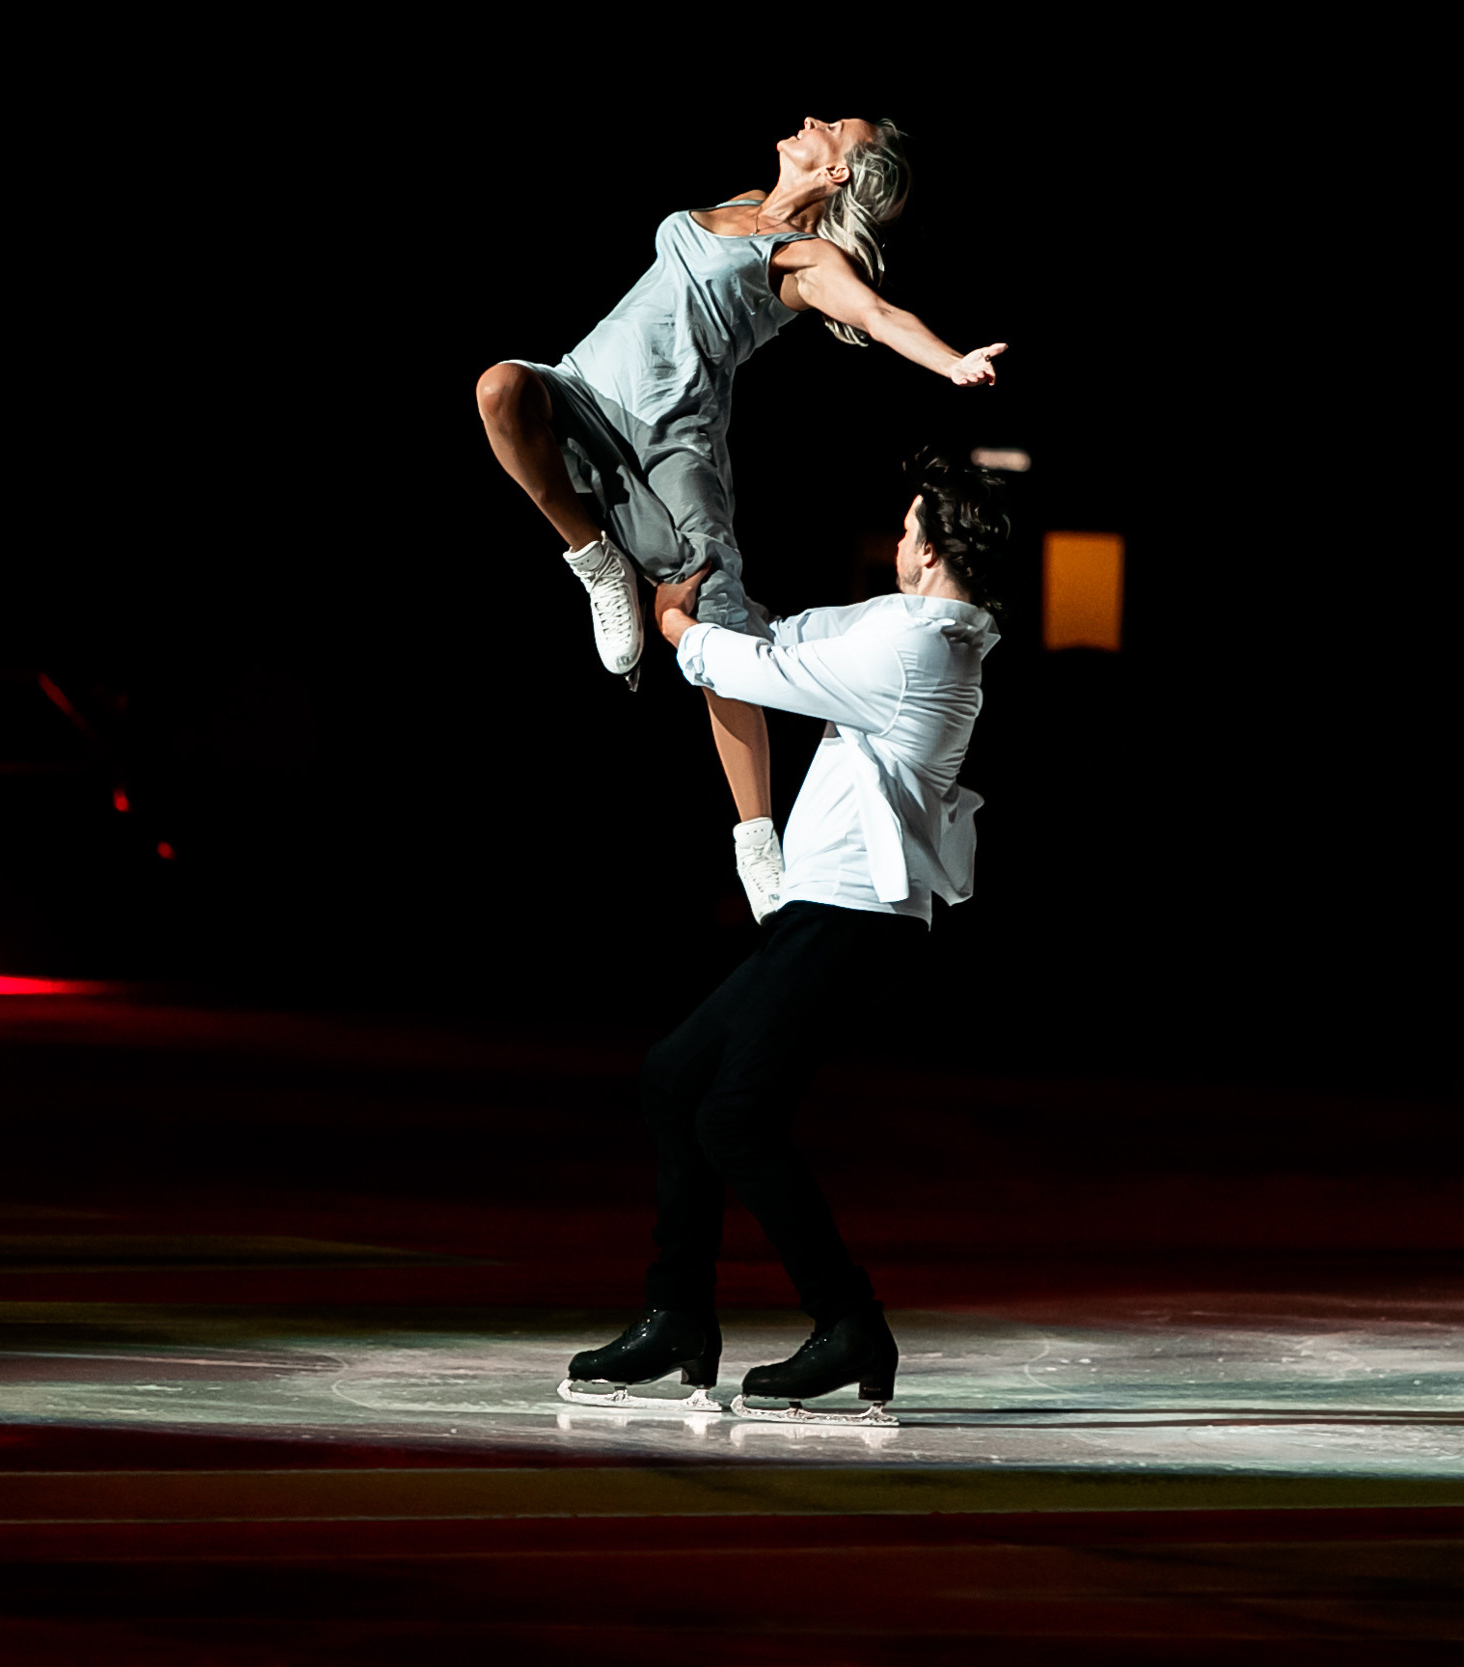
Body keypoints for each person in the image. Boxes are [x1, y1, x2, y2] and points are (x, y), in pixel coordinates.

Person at [558, 451, 1010, 1421]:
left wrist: (675, 622)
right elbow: (786, 632)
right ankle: (679, 1313)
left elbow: (754, 665)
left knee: (732, 1116)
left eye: (903, 528)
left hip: (856, 916)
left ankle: (847, 1321)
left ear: (928, 549)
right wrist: (710, 592)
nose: (894, 540)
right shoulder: (904, 626)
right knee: (676, 1074)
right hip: (827, 912)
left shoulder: (923, 645)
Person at [475, 116, 1005, 920]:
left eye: (834, 129)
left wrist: (953, 360)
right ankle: (595, 561)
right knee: (498, 390)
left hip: (672, 442)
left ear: (839, 176)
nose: (812, 120)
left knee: (715, 626)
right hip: (585, 386)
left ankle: (756, 838)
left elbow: (879, 315)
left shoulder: (809, 259)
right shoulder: (744, 203)